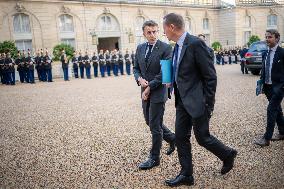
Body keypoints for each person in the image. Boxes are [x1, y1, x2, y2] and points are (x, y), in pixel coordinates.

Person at [162, 13, 237, 187]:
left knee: (202, 137)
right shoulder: (175, 47)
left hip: (198, 102)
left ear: (172, 27)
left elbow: (210, 77)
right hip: (182, 101)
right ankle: (186, 174)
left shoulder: (196, 44)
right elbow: (181, 73)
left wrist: (208, 104)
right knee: (180, 137)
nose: (164, 32)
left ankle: (227, 154)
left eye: (164, 28)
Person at [133, 20, 176, 170]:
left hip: (158, 92)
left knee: (155, 126)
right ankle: (172, 138)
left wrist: (149, 87)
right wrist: (138, 78)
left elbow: (165, 74)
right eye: (149, 32)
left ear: (158, 31)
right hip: (144, 90)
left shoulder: (165, 48)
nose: (153, 35)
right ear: (144, 34)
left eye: (155, 31)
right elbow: (136, 68)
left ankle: (154, 158)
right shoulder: (140, 48)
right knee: (149, 121)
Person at [254, 29, 284, 146]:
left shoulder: (282, 53)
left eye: (270, 37)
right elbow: (264, 69)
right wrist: (261, 84)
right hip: (267, 87)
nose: (267, 39)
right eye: (266, 37)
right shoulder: (265, 52)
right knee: (277, 110)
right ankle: (282, 132)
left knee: (271, 110)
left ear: (277, 38)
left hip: (279, 88)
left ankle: (266, 138)